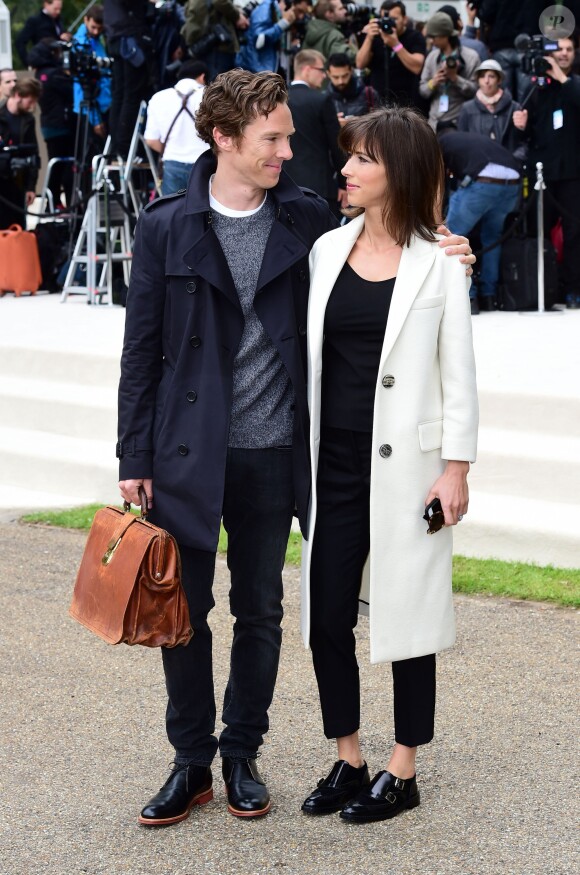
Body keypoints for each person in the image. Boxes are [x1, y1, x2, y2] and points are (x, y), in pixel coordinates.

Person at [117, 68, 474, 828]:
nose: (291, 148)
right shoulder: (164, 225)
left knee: (263, 610)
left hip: (281, 451)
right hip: (187, 451)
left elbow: (392, 250)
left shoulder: (307, 219)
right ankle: (192, 761)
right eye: (274, 138)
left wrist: (450, 251)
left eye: (287, 134)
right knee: (183, 611)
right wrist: (133, 457)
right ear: (224, 139)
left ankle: (242, 753)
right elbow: (140, 351)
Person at [300, 106, 478, 823]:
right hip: (333, 464)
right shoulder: (324, 251)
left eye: (362, 160)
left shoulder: (441, 263)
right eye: (347, 159)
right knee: (325, 617)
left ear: (395, 171)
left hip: (411, 468)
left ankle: (403, 770)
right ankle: (350, 758)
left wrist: (457, 467)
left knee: (409, 615)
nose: (345, 170)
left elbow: (459, 373)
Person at [513, 35, 580, 309]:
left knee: (575, 233)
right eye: (558, 49)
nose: (562, 54)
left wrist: (561, 77)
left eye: (567, 50)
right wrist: (521, 125)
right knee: (539, 231)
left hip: (574, 172)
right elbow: (528, 135)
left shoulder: (573, 84)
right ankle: (544, 287)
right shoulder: (536, 87)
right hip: (542, 172)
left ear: (574, 54)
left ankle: (574, 288)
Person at [439, 127, 522, 313]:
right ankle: (489, 297)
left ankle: (468, 298)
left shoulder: (441, 143)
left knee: (452, 237)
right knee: (492, 237)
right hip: (513, 183)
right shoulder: (473, 138)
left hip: (483, 182)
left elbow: (439, 180)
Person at [285, 49, 346, 217]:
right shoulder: (321, 100)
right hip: (320, 188)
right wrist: (343, 184)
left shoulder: (279, 100)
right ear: (307, 69)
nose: (324, 76)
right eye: (321, 70)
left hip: (284, 185)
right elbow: (336, 145)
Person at [144, 59, 210, 195]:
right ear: (202, 77)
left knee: (173, 214)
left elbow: (150, 140)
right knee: (205, 214)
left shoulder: (158, 98)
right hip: (205, 164)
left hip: (172, 165)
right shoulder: (210, 96)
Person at [27, 38, 75, 209]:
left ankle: (53, 202)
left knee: (56, 166)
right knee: (62, 167)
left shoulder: (40, 73)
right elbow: (71, 92)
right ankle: (55, 203)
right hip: (60, 126)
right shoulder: (54, 74)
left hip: (49, 126)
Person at [355, 1, 426, 108]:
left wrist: (396, 45)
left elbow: (417, 67)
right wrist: (369, 38)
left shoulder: (415, 37)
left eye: (394, 19)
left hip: (406, 101)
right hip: (378, 101)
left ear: (404, 19)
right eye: (385, 19)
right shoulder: (376, 36)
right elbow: (360, 64)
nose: (389, 23)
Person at [103, 0, 151, 159]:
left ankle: (118, 146)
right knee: (131, 96)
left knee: (119, 95)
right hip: (128, 38)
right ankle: (124, 149)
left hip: (116, 37)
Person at [419, 11, 479, 129]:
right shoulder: (432, 57)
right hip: (434, 122)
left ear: (445, 36)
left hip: (460, 121)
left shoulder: (471, 57)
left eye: (433, 37)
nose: (431, 41)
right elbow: (422, 90)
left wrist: (455, 79)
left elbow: (476, 92)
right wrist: (433, 82)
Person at [457, 58, 525, 158]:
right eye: (482, 76)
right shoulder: (467, 109)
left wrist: (513, 161)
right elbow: (461, 142)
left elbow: (523, 143)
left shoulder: (514, 108)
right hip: (477, 168)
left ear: (499, 80)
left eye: (491, 76)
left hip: (508, 168)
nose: (486, 81)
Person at [0, 77, 41, 229]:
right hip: (2, 178)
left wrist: (31, 186)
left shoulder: (28, 120)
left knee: (17, 225)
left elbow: (33, 152)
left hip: (18, 181)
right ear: (18, 95)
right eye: (30, 102)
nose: (31, 106)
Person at [73, 5, 112, 146]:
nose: (96, 32)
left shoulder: (101, 38)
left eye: (99, 28)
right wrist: (95, 120)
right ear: (86, 20)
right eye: (93, 27)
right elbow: (85, 86)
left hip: (105, 102)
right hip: (89, 108)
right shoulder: (80, 45)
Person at [181, 0, 249, 81]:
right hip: (217, 45)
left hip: (207, 43)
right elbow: (219, 1)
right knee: (218, 84)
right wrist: (237, 16)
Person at [235, 0, 296, 73]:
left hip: (263, 66)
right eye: (289, 7)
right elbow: (259, 39)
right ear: (283, 2)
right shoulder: (265, 9)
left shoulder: (273, 10)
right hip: (256, 67)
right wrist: (283, 23)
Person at [326, 52, 381, 125]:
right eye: (336, 77)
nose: (341, 81)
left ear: (351, 71)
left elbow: (380, 125)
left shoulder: (369, 94)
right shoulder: (324, 99)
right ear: (328, 74)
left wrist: (360, 122)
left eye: (345, 76)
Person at [16, 0, 72, 68]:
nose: (58, 12)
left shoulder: (58, 20)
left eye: (60, 9)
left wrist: (65, 37)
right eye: (55, 8)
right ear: (46, 4)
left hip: (58, 63)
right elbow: (20, 42)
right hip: (43, 63)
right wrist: (28, 63)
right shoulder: (35, 21)